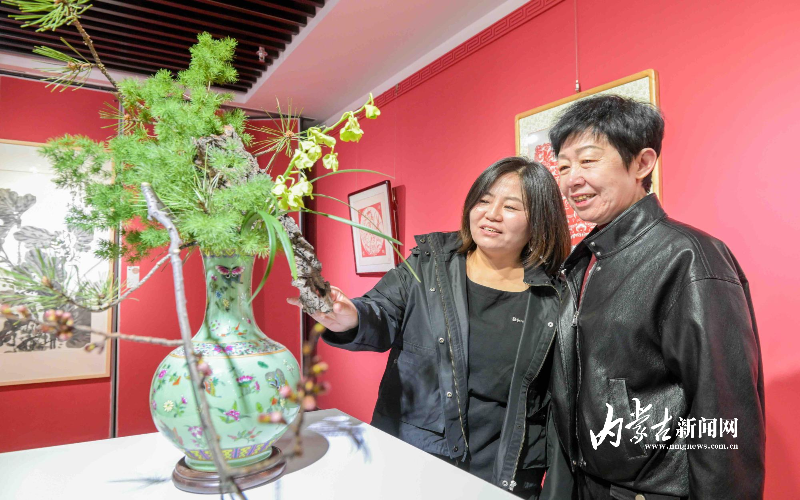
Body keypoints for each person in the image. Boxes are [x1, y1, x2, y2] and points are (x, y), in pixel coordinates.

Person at [290, 157, 573, 498]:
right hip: (416, 457)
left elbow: (559, 400)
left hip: (505, 470)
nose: (492, 214)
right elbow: (380, 312)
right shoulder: (429, 265)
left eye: (511, 207)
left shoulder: (555, 295)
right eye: (484, 200)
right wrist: (349, 317)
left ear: (540, 221)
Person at [548, 95, 765, 499]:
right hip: (592, 486)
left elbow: (724, 410)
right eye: (563, 166)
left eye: (588, 160)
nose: (571, 179)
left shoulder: (688, 256)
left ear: (642, 163)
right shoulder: (586, 261)